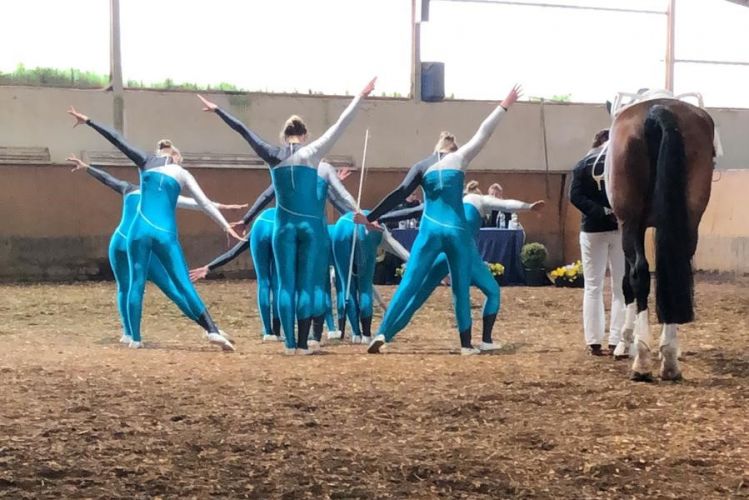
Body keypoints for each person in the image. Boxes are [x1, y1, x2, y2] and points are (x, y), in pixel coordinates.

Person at [197, 78, 376, 354]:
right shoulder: (313, 152)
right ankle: (304, 343)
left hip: (283, 226)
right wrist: (360, 96)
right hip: (311, 229)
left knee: (285, 284)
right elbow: (342, 123)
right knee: (306, 284)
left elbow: (243, 130)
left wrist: (218, 110)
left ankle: (289, 344)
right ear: (304, 135)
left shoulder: (272, 154)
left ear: (285, 135)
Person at [356, 84, 522, 355]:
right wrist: (504, 105)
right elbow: (484, 132)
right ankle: (466, 345)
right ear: (452, 148)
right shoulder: (460, 158)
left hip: (430, 229)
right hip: (457, 230)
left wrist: (370, 216)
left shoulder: (422, 166)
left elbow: (400, 193)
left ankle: (382, 333)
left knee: (409, 283)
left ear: (436, 147)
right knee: (460, 288)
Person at [67, 107, 244, 350]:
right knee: (181, 283)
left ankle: (134, 338)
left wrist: (89, 122)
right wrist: (225, 225)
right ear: (176, 157)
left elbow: (117, 142)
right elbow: (200, 203)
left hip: (134, 233)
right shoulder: (180, 173)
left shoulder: (142, 168)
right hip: (163, 233)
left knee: (133, 284)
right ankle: (211, 329)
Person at [378, 182, 544, 350]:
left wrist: (380, 217)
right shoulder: (479, 200)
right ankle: (485, 341)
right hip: (465, 251)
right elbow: (506, 204)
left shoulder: (451, 202)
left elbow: (412, 211)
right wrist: (529, 206)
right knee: (492, 291)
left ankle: (384, 334)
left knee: (418, 297)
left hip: (443, 251)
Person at [570, 129, 625, 356]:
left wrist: (599, 212)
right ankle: (617, 340)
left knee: (593, 286)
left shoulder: (582, 164)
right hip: (619, 228)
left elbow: (575, 196)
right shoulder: (622, 162)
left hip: (592, 229)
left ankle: (593, 340)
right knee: (620, 287)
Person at [329, 211, 410, 344]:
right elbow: (394, 245)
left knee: (347, 287)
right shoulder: (379, 227)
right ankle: (366, 335)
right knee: (365, 287)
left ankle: (356, 334)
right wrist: (411, 260)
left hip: (341, 229)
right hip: (367, 231)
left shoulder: (342, 222)